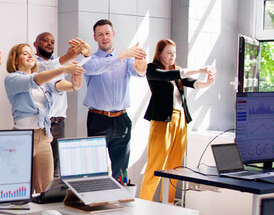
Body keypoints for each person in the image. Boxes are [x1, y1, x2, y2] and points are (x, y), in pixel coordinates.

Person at [139, 39, 216, 203]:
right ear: (159, 54)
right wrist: (199, 69)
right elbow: (169, 75)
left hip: (181, 120)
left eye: (174, 52)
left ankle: (168, 204)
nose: (172, 56)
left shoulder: (178, 70)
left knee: (175, 167)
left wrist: (207, 83)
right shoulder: (152, 69)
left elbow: (193, 83)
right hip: (163, 121)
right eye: (168, 52)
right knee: (156, 164)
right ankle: (143, 204)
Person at [4, 43, 84, 192]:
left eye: (31, 53)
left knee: (45, 188)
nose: (30, 55)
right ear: (15, 60)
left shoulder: (43, 80)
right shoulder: (12, 79)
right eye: (24, 53)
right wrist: (64, 69)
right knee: (20, 187)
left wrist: (74, 84)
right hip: (22, 137)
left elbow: (58, 85)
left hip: (43, 136)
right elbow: (35, 80)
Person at [82, 19, 147, 177]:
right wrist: (122, 55)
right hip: (98, 119)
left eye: (107, 33)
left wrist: (141, 67)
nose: (104, 37)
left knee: (121, 170)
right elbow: (95, 68)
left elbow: (138, 72)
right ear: (95, 37)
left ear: (113, 34)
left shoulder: (127, 59)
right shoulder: (90, 60)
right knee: (95, 169)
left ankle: (119, 199)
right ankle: (96, 199)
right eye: (100, 34)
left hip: (121, 119)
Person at [32, 32, 91, 177]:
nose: (49, 43)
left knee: (56, 168)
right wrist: (67, 59)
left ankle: (51, 197)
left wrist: (87, 55)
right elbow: (53, 77)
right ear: (36, 44)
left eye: (52, 41)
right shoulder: (34, 65)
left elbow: (61, 73)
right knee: (39, 169)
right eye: (45, 41)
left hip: (59, 122)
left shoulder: (59, 63)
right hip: (42, 124)